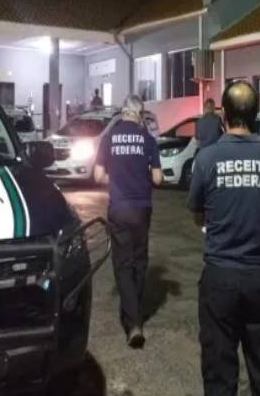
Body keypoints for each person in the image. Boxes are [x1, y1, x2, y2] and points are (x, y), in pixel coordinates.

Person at [188, 81, 260, 396]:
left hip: (220, 276)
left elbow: (198, 215)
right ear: (256, 115)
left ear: (223, 117)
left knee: (219, 373)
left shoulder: (206, 159)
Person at [94, 95, 163, 347]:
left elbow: (98, 175)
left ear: (123, 112)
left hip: (119, 208)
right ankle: (134, 316)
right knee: (139, 261)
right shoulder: (148, 139)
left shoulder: (109, 138)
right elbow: (157, 179)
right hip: (141, 208)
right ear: (139, 114)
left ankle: (133, 322)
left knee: (123, 265)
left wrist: (116, 179)